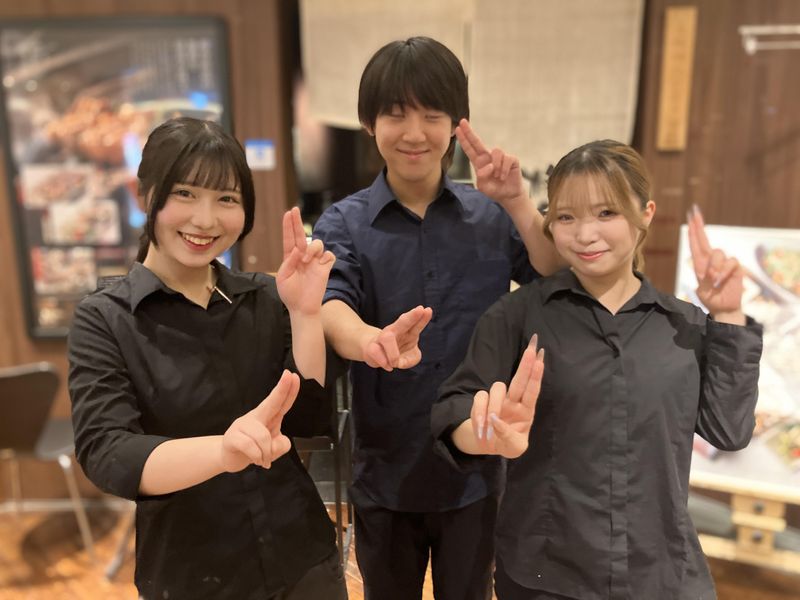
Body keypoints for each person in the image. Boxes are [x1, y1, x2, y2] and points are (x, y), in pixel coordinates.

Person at [432, 139, 763, 599]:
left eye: (606, 213)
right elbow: (454, 411)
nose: (585, 234)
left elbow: (729, 430)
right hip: (545, 575)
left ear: (645, 213)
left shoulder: (683, 325)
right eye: (566, 217)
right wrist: (487, 433)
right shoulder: (518, 315)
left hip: (660, 573)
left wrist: (727, 315)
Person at [312, 37, 560, 600]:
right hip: (386, 468)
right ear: (369, 123)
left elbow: (549, 273)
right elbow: (331, 304)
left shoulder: (492, 214)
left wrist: (519, 202)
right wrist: (370, 341)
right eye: (396, 114)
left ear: (455, 124)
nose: (414, 133)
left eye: (431, 114)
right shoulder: (344, 222)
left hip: (477, 467)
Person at [68, 117, 348, 600]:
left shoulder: (264, 297)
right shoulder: (106, 319)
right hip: (193, 575)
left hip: (303, 559)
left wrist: (305, 314)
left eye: (226, 199)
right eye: (184, 193)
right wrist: (223, 452)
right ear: (145, 195)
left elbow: (308, 419)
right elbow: (109, 453)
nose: (205, 219)